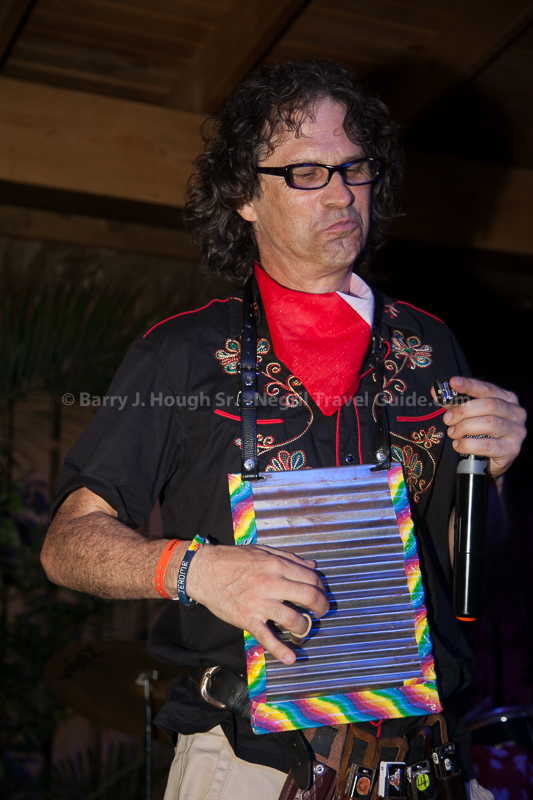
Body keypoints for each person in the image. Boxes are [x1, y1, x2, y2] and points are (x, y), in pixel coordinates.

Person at [41, 60, 526, 800]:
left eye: (354, 167)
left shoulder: (431, 346)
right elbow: (67, 545)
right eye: (305, 172)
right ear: (243, 195)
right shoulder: (183, 351)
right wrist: (198, 571)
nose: (340, 193)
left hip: (422, 760)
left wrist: (494, 474)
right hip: (251, 763)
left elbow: (468, 564)